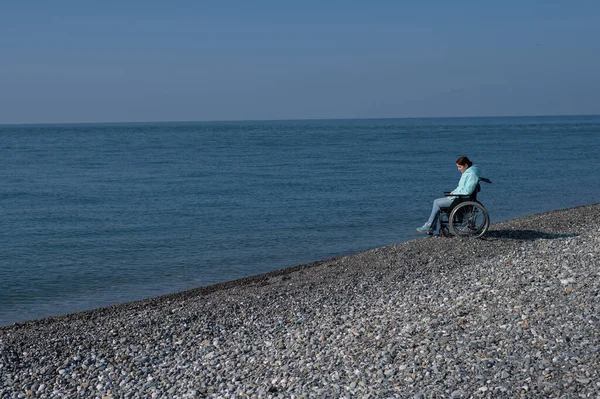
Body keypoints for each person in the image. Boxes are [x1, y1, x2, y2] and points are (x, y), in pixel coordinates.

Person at [416, 156, 480, 234]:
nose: (458, 169)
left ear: (466, 165)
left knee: (437, 203)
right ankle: (430, 226)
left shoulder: (471, 174)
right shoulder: (467, 173)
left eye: (460, 167)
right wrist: (453, 193)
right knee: (436, 201)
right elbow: (461, 188)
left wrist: (455, 194)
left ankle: (429, 226)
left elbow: (468, 191)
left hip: (461, 199)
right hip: (459, 197)